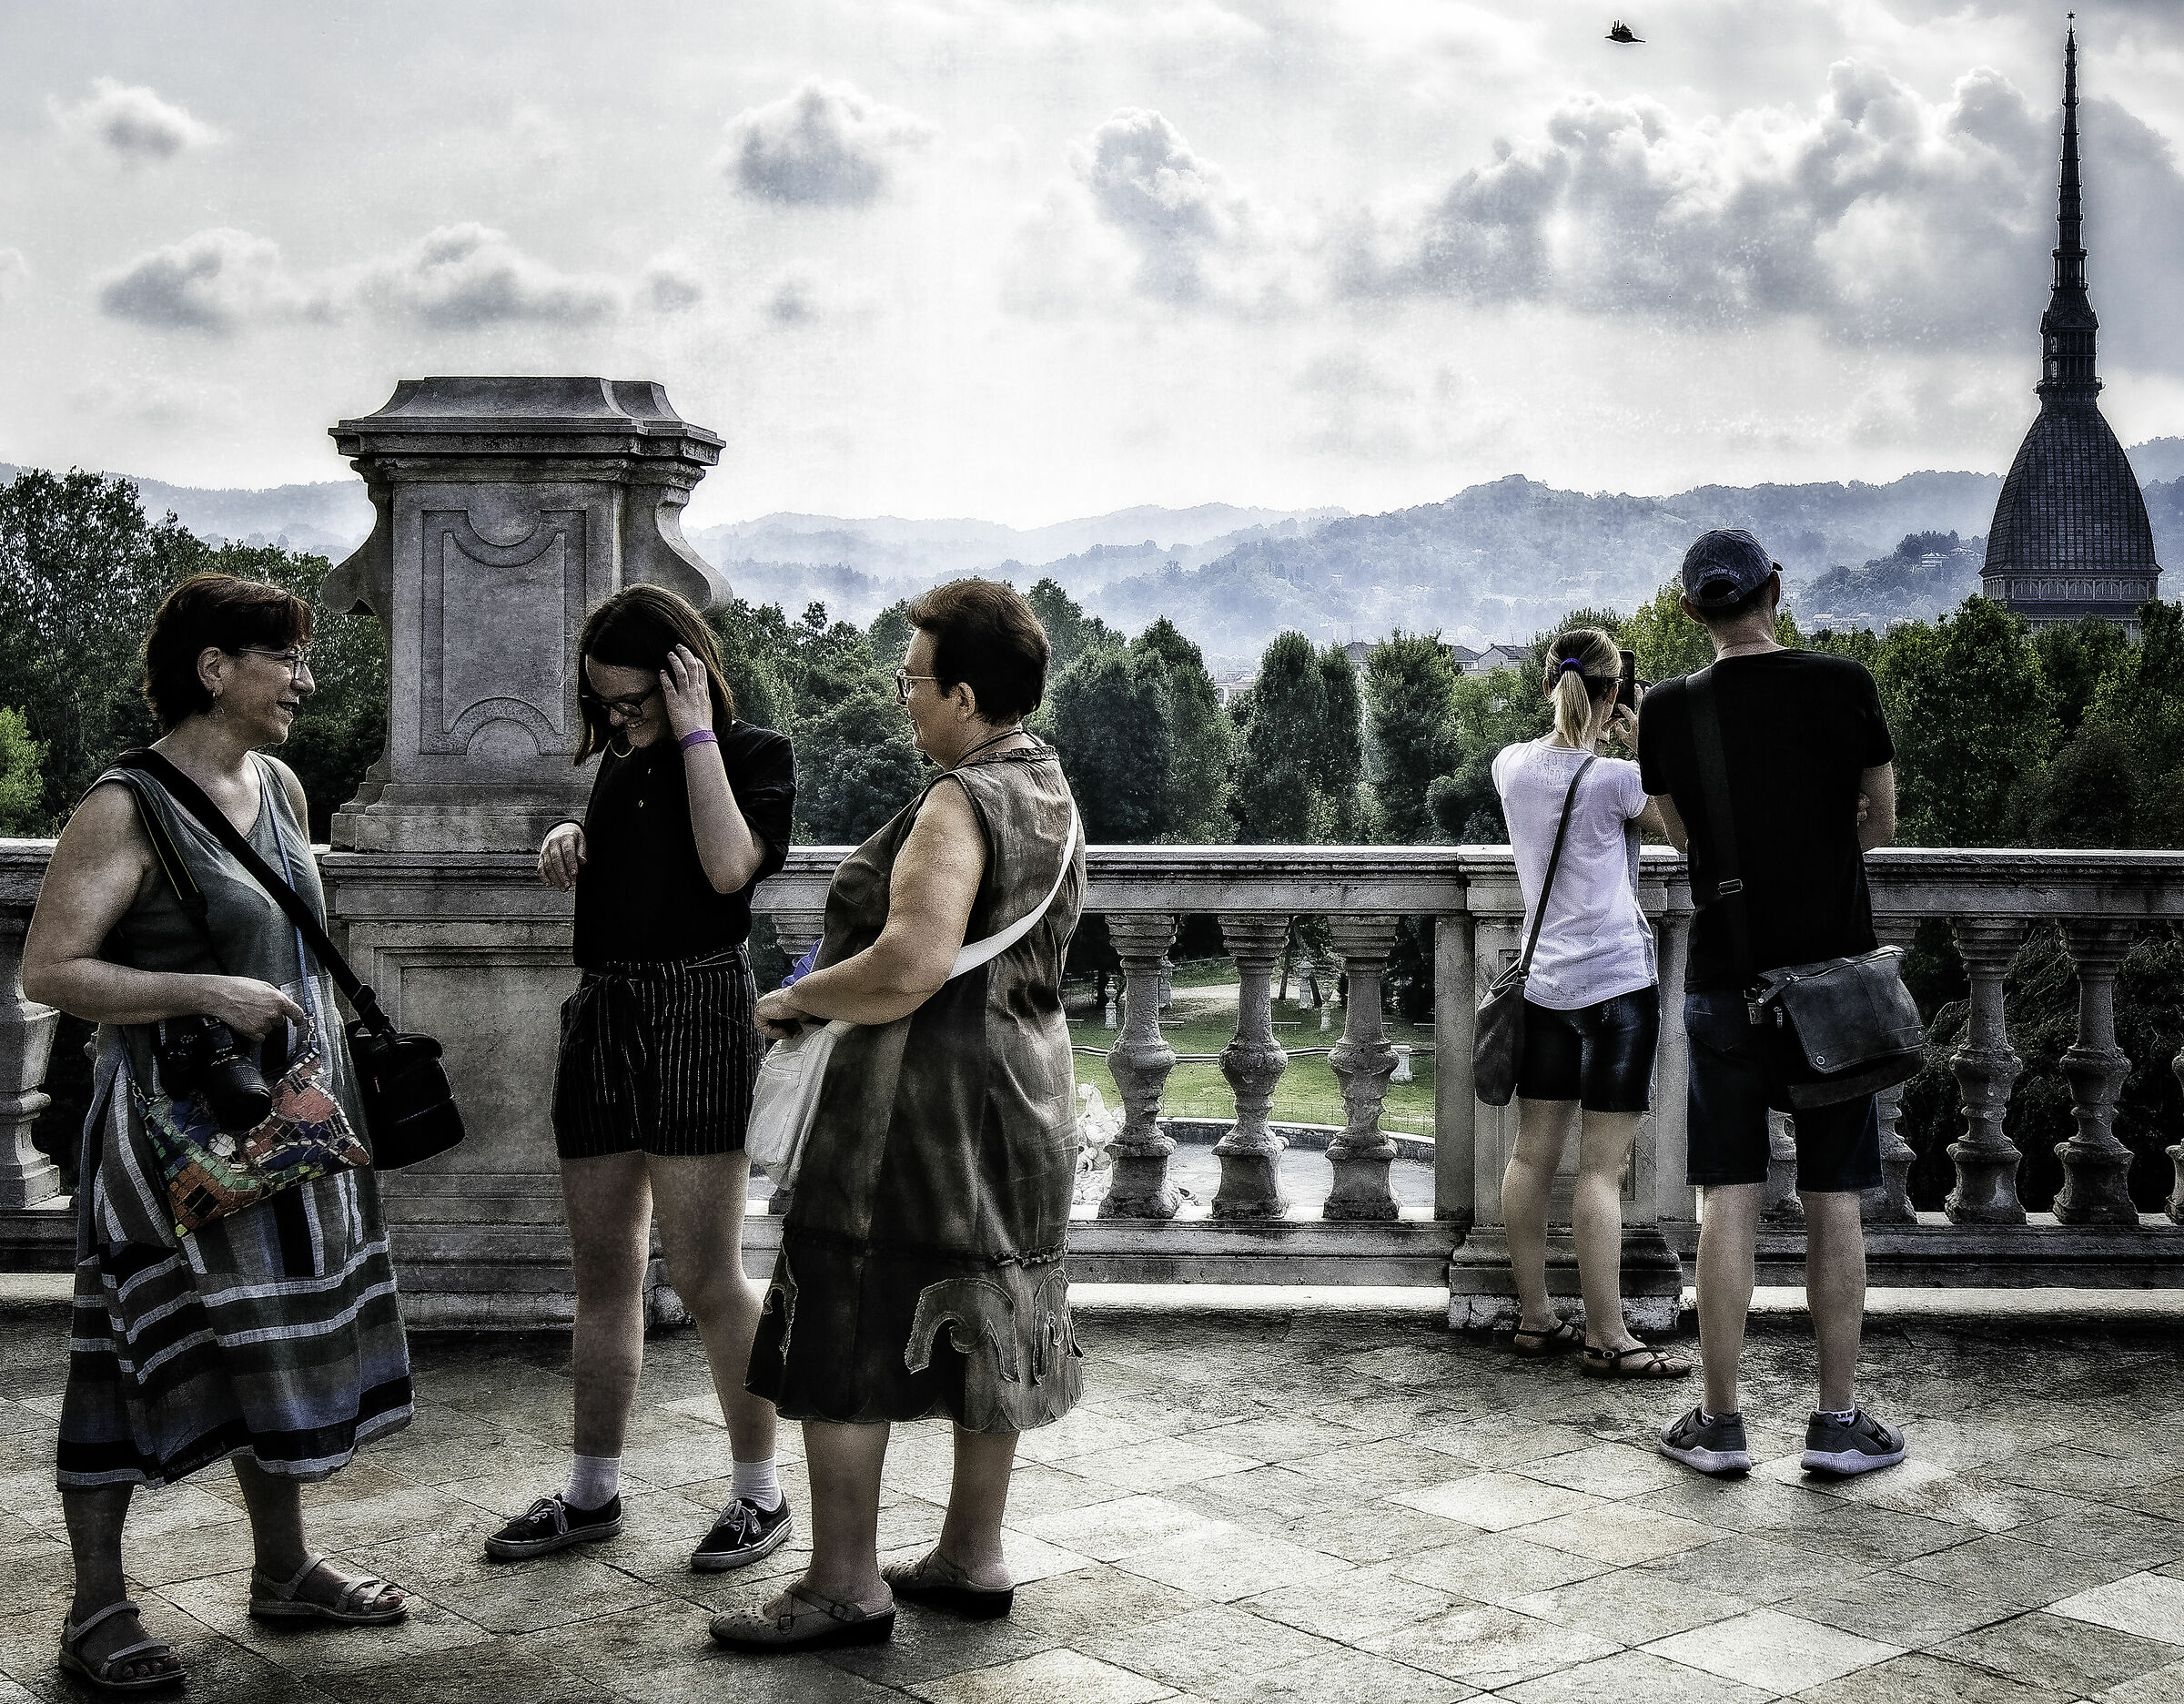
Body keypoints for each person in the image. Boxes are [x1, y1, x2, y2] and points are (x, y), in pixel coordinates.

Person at [23, 573, 412, 1693]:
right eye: (282, 658)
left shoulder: (278, 785)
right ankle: (95, 1611)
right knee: (122, 1358)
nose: (304, 679)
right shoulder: (122, 806)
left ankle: (284, 1573)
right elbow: (50, 969)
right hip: (167, 1140)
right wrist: (206, 994)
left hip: (284, 1129)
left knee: (268, 1348)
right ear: (213, 669)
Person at [716, 578, 1085, 1654]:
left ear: (964, 695)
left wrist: (792, 998)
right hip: (1025, 1094)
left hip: (916, 1110)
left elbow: (913, 961)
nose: (902, 698)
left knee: (847, 1321)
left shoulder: (957, 800)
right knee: (992, 1317)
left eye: (912, 679)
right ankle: (973, 1556)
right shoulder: (1048, 786)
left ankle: (843, 1585)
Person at [486, 586, 797, 1573]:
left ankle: (761, 1496)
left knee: (707, 1277)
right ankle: (591, 1493)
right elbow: (638, 866)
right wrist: (572, 836)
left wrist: (695, 734)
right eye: (606, 706)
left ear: (686, 672)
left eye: (637, 703)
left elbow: (723, 870)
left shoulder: (753, 756)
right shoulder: (618, 761)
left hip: (700, 1011)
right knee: (603, 1274)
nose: (620, 723)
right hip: (605, 1011)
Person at [1637, 528, 1905, 1477]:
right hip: (1833, 983)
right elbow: (1880, 821)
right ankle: (1836, 1426)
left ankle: (1719, 1424)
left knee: (1728, 1201)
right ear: (1776, 591)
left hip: (1726, 978)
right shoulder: (1846, 686)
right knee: (1835, 1204)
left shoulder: (1667, 710)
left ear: (1688, 611)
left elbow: (1685, 841)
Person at [1491, 630, 1689, 1380]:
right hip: (1615, 988)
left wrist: (1599, 724)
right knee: (1600, 1172)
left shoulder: (1510, 767)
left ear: (1548, 686)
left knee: (1529, 1156)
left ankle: (1536, 1317)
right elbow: (1685, 833)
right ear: (1614, 695)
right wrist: (1646, 736)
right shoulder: (1618, 782)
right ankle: (1608, 1335)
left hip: (1543, 986)